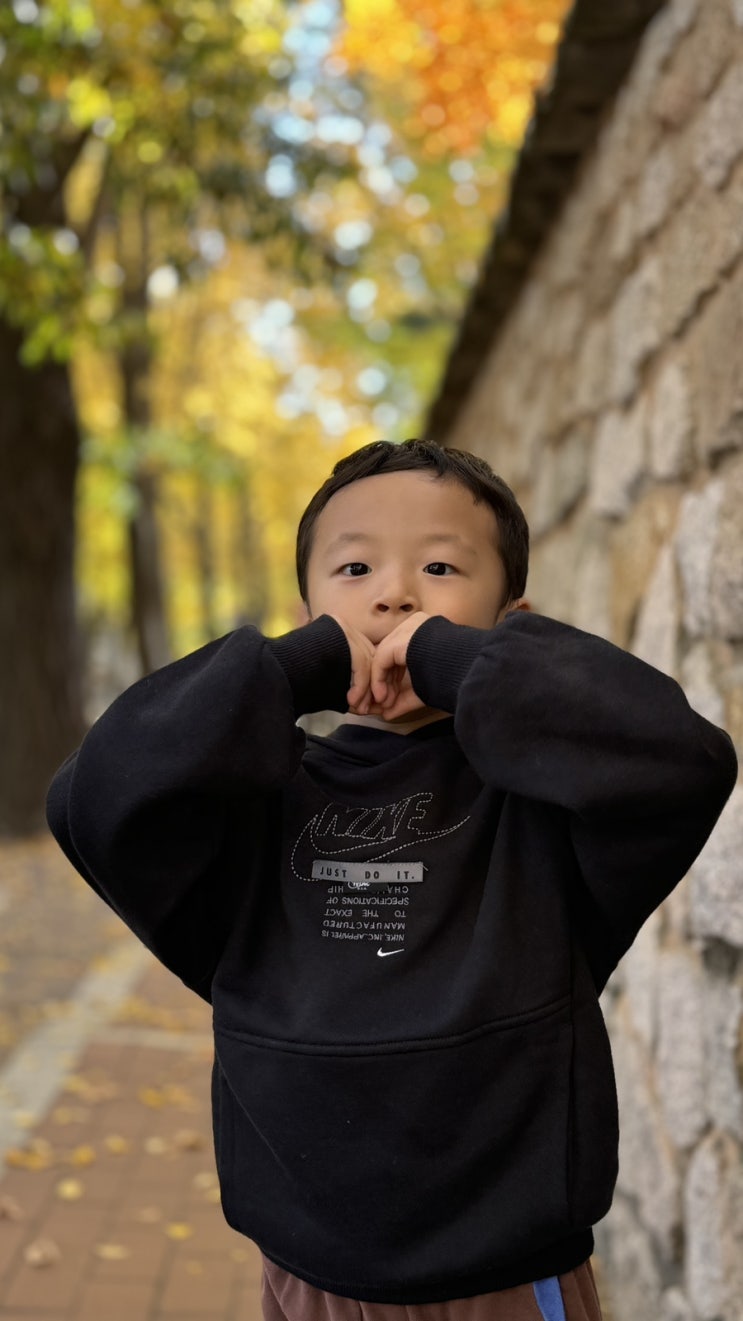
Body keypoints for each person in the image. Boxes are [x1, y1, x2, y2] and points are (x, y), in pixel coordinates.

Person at [46, 439, 737, 1321]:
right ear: (308, 611)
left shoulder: (545, 808)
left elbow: (682, 758)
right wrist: (290, 668)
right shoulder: (255, 809)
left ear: (508, 622)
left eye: (440, 568)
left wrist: (459, 660)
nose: (393, 594)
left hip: (504, 1280)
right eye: (355, 568)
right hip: (308, 1278)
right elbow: (93, 798)